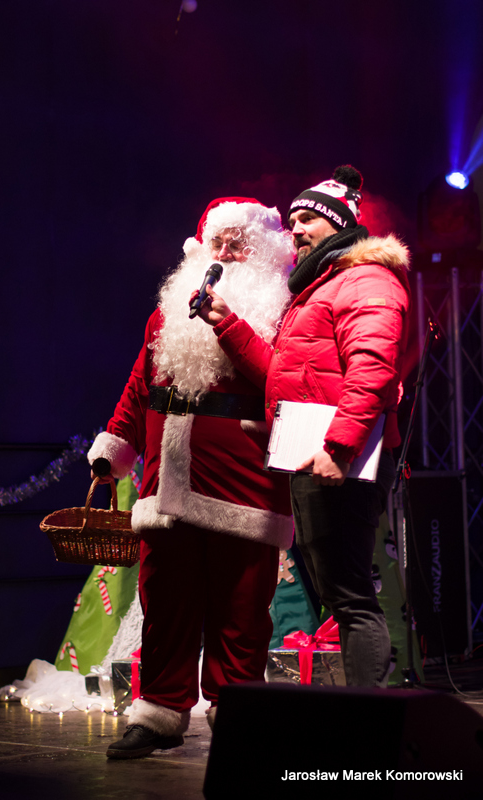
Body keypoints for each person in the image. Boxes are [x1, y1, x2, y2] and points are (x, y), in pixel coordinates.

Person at [88, 197, 295, 758]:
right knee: (165, 605)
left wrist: (229, 324)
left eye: (238, 244)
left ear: (263, 252)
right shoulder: (168, 310)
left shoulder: (282, 313)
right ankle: (158, 713)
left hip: (242, 484)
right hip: (167, 482)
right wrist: (115, 446)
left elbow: (282, 382)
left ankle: (238, 712)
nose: (225, 253)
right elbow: (140, 385)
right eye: (217, 242)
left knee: (240, 612)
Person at [201, 166, 411, 688]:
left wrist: (340, 447)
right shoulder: (322, 287)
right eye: (291, 219)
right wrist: (227, 323)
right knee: (339, 593)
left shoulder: (367, 280)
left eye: (306, 219)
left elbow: (372, 369)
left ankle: (370, 718)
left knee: (351, 598)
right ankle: (362, 711)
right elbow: (286, 373)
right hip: (312, 453)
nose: (294, 228)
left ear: (340, 224)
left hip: (337, 457)